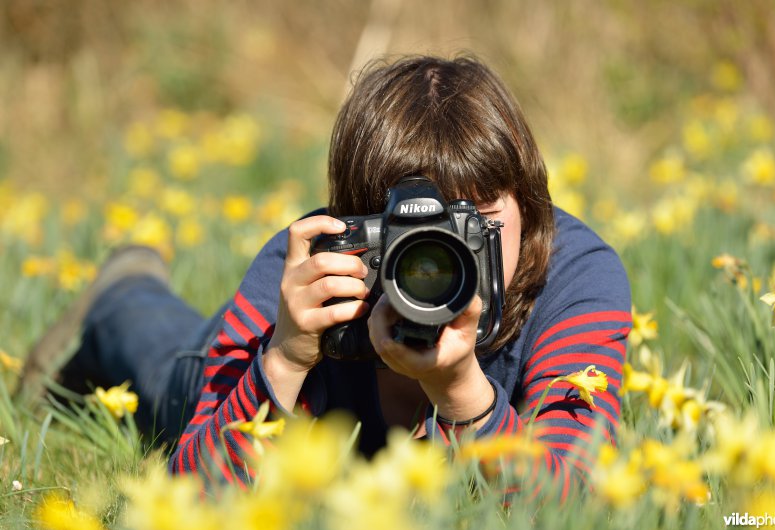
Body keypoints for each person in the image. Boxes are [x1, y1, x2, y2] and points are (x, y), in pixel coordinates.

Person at [18, 54, 631, 496]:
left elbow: (571, 501)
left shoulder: (573, 279)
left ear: (530, 203)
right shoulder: (314, 264)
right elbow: (198, 493)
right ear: (354, 222)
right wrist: (285, 359)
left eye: (474, 221)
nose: (440, 255)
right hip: (243, 364)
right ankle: (122, 296)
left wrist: (460, 391)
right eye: (409, 234)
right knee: (164, 375)